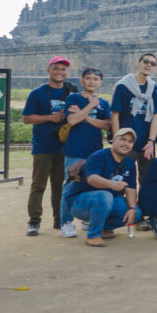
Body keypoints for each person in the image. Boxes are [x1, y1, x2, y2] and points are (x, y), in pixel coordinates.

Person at [23, 56, 75, 236]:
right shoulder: (37, 93)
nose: (59, 72)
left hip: (63, 146)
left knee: (59, 185)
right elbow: (27, 118)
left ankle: (59, 219)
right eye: (56, 68)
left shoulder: (71, 92)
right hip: (43, 145)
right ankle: (34, 221)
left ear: (67, 72)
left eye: (63, 69)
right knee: (39, 184)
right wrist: (50, 118)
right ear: (48, 71)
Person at [62, 127, 141, 247]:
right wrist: (112, 184)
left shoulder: (129, 163)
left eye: (130, 141)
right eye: (123, 139)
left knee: (137, 213)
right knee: (105, 196)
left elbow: (131, 188)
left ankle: (104, 228)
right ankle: (93, 235)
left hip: (106, 201)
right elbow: (91, 178)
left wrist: (132, 208)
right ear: (113, 140)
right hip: (78, 203)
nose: (126, 143)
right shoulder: (99, 156)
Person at [59, 67, 111, 238]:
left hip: (95, 151)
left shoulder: (103, 103)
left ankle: (86, 218)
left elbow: (107, 125)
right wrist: (91, 106)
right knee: (71, 184)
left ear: (101, 82)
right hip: (75, 150)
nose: (91, 82)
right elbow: (72, 120)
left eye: (95, 79)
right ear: (82, 80)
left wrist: (85, 116)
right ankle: (66, 221)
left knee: (92, 183)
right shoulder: (73, 98)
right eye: (88, 78)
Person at [111, 52, 157, 181]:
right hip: (125, 142)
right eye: (146, 61)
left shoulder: (153, 88)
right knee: (122, 180)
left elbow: (156, 116)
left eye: (152, 63)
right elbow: (115, 115)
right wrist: (116, 140)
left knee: (148, 182)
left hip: (145, 144)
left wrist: (151, 142)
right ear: (138, 63)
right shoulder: (123, 86)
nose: (149, 65)